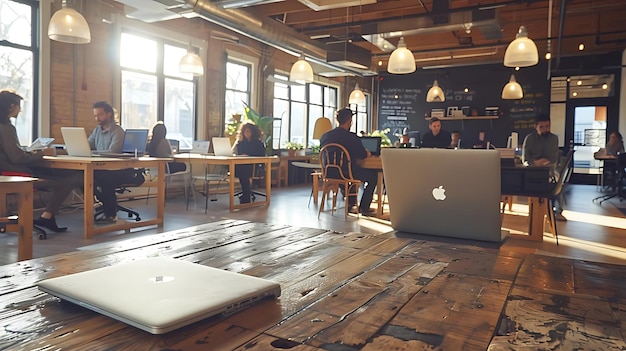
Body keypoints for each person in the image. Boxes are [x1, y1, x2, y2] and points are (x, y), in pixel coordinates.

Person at [0, 89, 82, 232]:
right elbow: (17, 157)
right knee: (73, 178)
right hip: (15, 174)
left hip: (7, 171)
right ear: (11, 107)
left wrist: (30, 152)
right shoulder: (6, 127)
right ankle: (47, 216)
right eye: (19, 107)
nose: (20, 111)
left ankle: (47, 216)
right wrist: (41, 153)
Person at [320, 108, 378, 215]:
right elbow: (362, 155)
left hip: (329, 173)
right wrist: (367, 153)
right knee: (373, 176)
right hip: (347, 173)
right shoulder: (352, 137)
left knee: (347, 174)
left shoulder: (325, 136)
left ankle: (351, 204)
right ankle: (364, 208)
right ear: (349, 120)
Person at [89, 101, 127, 224]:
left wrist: (93, 153)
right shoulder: (97, 131)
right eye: (95, 115)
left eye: (100, 115)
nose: (97, 118)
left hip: (118, 170)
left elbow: (113, 151)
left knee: (104, 179)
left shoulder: (118, 131)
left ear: (109, 114)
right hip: (102, 168)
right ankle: (107, 203)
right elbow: (88, 145)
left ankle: (110, 212)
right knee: (81, 177)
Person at [522, 113, 566, 221]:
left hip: (549, 169)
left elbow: (553, 158)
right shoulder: (529, 139)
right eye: (542, 127)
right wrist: (535, 163)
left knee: (557, 180)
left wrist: (542, 162)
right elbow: (525, 159)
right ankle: (537, 210)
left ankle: (557, 210)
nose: (545, 129)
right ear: (535, 126)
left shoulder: (553, 138)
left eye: (547, 126)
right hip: (533, 169)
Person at [232, 122, 265, 204]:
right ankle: (246, 194)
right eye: (245, 131)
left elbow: (261, 156)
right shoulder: (241, 143)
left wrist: (249, 155)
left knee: (242, 171)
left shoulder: (258, 143)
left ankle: (246, 196)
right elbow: (237, 153)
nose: (246, 133)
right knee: (239, 169)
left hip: (253, 167)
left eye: (248, 131)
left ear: (253, 132)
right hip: (241, 165)